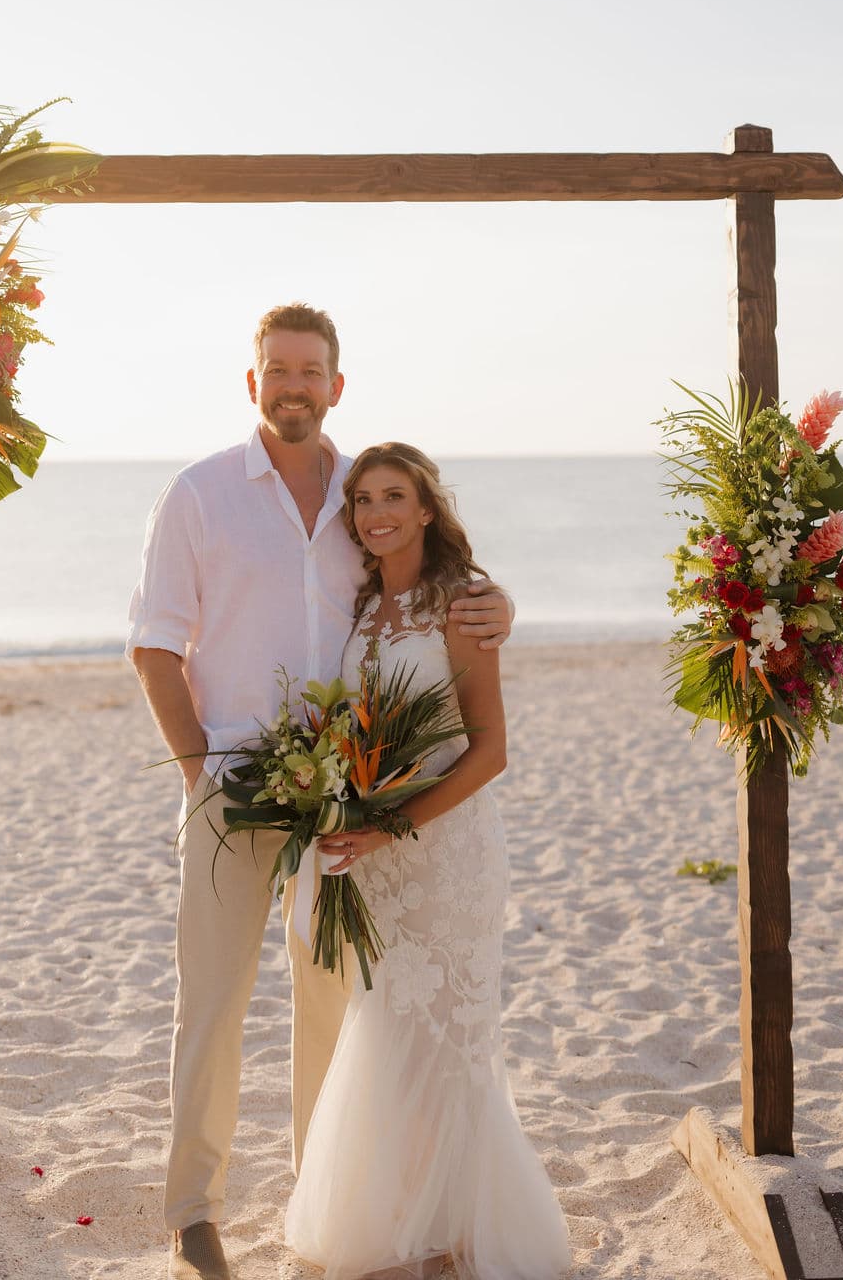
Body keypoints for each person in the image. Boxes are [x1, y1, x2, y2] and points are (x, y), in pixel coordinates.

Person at [127, 304, 515, 1280]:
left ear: (336, 384)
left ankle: (321, 1204)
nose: (293, 383)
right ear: (251, 380)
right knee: (210, 1005)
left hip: (340, 800)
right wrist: (195, 769)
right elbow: (152, 644)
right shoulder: (200, 494)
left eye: (311, 369)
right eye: (277, 368)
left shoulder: (364, 497)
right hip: (231, 791)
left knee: (329, 1006)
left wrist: (499, 601)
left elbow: (431, 583)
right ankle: (193, 1212)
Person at [285, 443, 571, 1280]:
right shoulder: (363, 607)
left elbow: (489, 752)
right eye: (364, 499)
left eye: (394, 496)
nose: (376, 512)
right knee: (389, 1034)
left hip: (446, 858)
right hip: (374, 866)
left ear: (425, 510)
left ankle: (460, 1233)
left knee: (448, 1042)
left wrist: (390, 825)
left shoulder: (463, 604)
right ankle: (416, 1224)